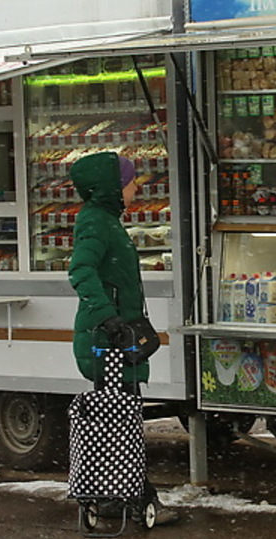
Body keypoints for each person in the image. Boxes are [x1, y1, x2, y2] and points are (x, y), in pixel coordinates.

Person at [68, 151, 178, 525]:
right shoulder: (97, 223)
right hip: (107, 343)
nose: (136, 188)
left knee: (117, 423)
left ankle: (118, 495)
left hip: (115, 339)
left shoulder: (105, 220)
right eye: (131, 182)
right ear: (114, 187)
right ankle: (134, 497)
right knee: (121, 423)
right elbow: (81, 271)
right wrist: (109, 319)